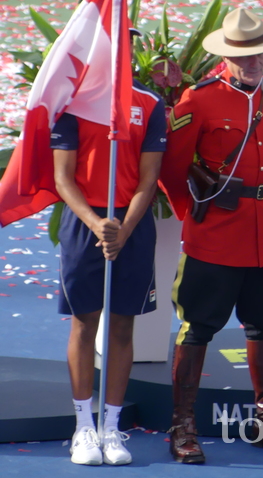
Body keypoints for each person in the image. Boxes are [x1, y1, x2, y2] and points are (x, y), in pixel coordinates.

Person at [159, 8, 263, 463]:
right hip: (216, 231)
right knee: (199, 325)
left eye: (259, 52)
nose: (254, 61)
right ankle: (182, 425)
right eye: (244, 54)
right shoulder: (198, 100)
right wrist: (196, 214)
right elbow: (173, 167)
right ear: (226, 56)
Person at [52, 77, 166, 466]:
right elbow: (63, 177)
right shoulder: (72, 102)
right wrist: (97, 224)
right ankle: (83, 426)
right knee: (84, 324)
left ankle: (111, 427)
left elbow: (149, 178)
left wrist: (123, 229)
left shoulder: (150, 104)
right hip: (85, 224)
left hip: (131, 226)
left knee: (122, 325)